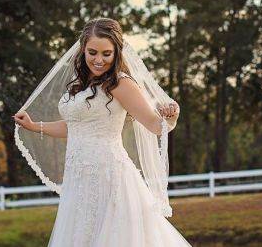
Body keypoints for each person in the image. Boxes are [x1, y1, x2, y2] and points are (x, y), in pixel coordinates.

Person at [13, 17, 192, 246]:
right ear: (83, 49)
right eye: (92, 52)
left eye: (106, 54)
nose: (99, 60)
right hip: (79, 180)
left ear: (117, 52)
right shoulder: (81, 82)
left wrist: (172, 116)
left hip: (111, 178)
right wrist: (34, 125)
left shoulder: (120, 83)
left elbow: (156, 126)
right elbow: (74, 128)